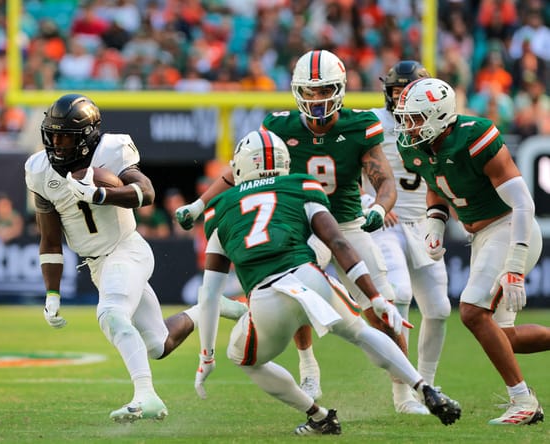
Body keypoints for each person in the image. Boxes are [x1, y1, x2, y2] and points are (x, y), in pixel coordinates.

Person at [175, 49, 422, 414]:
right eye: (310, 91)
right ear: (297, 91)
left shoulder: (359, 125)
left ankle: (405, 395)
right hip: (301, 226)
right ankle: (308, 366)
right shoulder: (279, 126)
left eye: (324, 91)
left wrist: (379, 209)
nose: (317, 99)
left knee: (379, 309)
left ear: (339, 90)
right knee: (296, 293)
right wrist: (199, 204)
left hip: (348, 224)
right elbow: (237, 169)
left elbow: (384, 182)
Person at [193, 130, 461, 435]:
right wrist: (375, 298)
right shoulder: (301, 185)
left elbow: (210, 293)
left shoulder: (220, 208)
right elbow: (338, 242)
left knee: (244, 359)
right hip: (310, 279)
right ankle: (424, 387)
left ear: (240, 165)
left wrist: (206, 356)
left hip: (266, 297)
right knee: (360, 332)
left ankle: (318, 416)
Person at [24, 93, 246, 423]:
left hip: (127, 250)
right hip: (98, 264)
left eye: (65, 137)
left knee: (111, 313)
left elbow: (147, 192)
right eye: (52, 134)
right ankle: (209, 307)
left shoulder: (111, 150)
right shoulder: (39, 169)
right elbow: (50, 238)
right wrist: (52, 293)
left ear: (88, 137)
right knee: (159, 344)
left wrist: (102, 193)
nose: (56, 143)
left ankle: (146, 396)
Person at [394, 77, 549, 425]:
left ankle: (523, 401)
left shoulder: (476, 137)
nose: (407, 125)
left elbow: (524, 204)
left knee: (471, 311)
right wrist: (434, 223)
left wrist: (514, 264)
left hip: (511, 227)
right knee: (503, 336)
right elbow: (436, 187)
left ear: (437, 116)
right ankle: (522, 398)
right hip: (482, 237)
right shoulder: (417, 147)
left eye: (415, 117)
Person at [361, 61, 451, 390]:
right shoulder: (371, 119)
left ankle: (426, 385)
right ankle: (404, 393)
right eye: (395, 91)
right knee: (398, 294)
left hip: (423, 222)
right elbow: (343, 163)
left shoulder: (436, 120)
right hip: (385, 221)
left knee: (440, 309)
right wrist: (371, 202)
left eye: (406, 91)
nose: (399, 98)